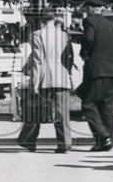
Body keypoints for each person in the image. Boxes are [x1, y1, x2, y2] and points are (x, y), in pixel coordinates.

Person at [17, 10, 74, 153]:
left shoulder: (37, 35)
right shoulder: (64, 35)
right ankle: (64, 143)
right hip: (62, 75)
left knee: (35, 110)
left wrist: (34, 82)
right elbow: (69, 57)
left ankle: (29, 140)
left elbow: (38, 61)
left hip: (45, 76)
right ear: (54, 18)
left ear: (40, 19)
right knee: (62, 113)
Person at [79, 0, 113, 151]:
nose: (85, 11)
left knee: (88, 104)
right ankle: (105, 141)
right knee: (107, 107)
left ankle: (103, 136)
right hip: (111, 71)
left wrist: (84, 52)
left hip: (96, 70)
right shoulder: (111, 25)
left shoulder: (89, 22)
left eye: (85, 9)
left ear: (90, 8)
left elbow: (88, 39)